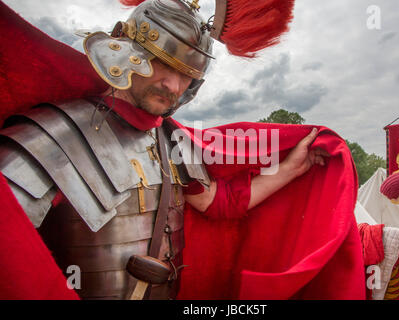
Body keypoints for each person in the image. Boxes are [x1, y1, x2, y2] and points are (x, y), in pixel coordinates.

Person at [0, 0, 366, 300]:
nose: (173, 84)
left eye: (186, 74)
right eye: (162, 62)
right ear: (127, 50)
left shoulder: (171, 141)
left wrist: (289, 169)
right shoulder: (50, 137)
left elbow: (218, 203)